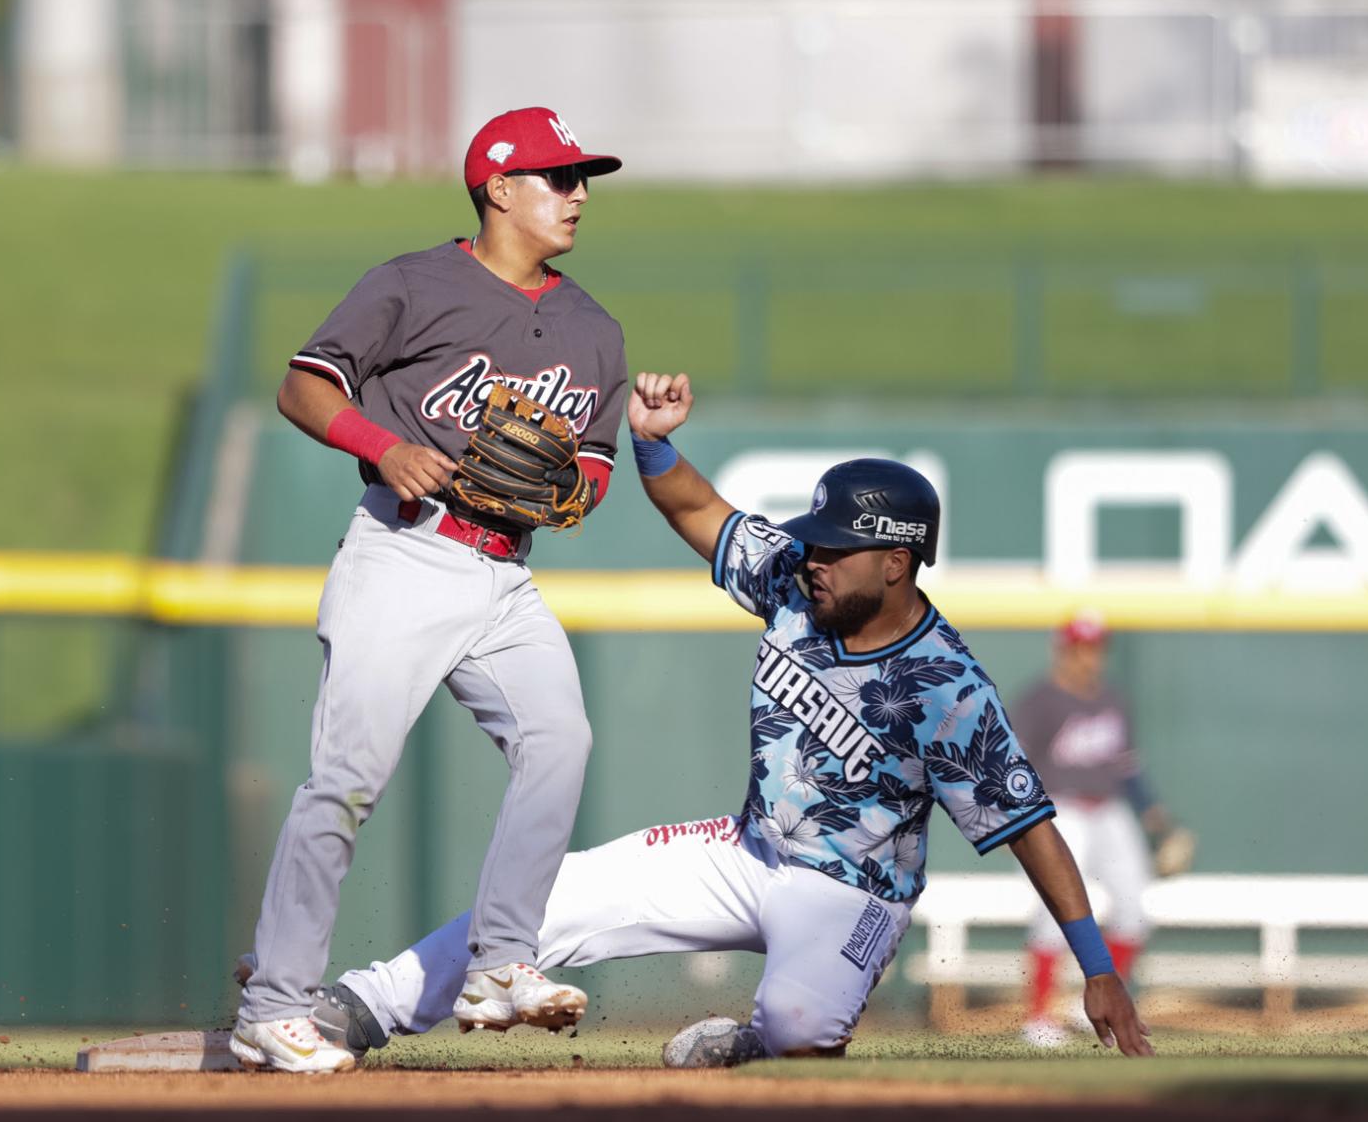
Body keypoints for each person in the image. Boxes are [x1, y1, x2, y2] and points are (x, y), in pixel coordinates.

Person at [266, 371, 1152, 1066]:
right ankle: (360, 1007)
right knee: (551, 895)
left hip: (853, 894)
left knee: (800, 1025)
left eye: (836, 550)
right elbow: (700, 509)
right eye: (814, 542)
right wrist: (654, 446)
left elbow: (1030, 828)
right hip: (747, 848)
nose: (815, 559)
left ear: (895, 561)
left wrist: (1098, 969)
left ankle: (760, 1045)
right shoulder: (795, 587)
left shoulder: (947, 687)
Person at [231, 107, 629, 1073]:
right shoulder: (414, 285)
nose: (577, 195)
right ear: (497, 185)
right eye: (557, 177)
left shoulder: (593, 327)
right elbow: (304, 385)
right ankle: (276, 1002)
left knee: (559, 742)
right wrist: (384, 444)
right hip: (403, 557)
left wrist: (580, 485)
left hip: (503, 573)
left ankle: (500, 962)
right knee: (347, 781)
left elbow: (592, 467)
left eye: (583, 180)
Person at [1010, 612, 1187, 1048]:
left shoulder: (1112, 699)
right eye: (1081, 647)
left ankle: (1089, 1003)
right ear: (1063, 649)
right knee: (1054, 910)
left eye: (1096, 647)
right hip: (1060, 808)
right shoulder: (1041, 699)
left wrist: (1157, 819)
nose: (1090, 657)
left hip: (1110, 810)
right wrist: (1015, 821)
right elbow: (1013, 761)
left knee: (1134, 909)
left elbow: (1127, 768)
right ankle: (1039, 1017)